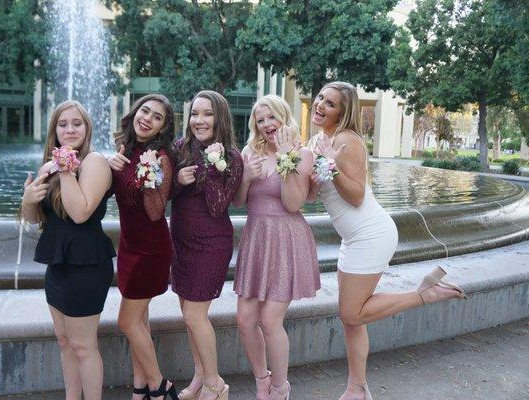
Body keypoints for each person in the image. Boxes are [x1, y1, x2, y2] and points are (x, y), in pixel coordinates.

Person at [307, 81, 467, 400]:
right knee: (354, 318)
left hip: (370, 234)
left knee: (352, 313)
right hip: (354, 238)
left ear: (343, 112)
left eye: (331, 103)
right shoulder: (317, 141)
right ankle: (357, 389)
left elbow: (356, 196)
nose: (320, 105)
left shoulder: (346, 141)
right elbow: (314, 194)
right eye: (320, 98)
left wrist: (330, 166)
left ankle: (424, 294)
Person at [21, 100, 116, 400]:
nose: (70, 129)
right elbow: (37, 218)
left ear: (87, 128)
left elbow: (80, 213)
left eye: (77, 123)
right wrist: (27, 199)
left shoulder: (94, 162)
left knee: (83, 345)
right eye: (63, 124)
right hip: (58, 264)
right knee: (64, 341)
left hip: (86, 265)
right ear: (55, 129)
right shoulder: (48, 166)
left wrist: (65, 170)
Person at [233, 94, 320, 400]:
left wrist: (286, 158)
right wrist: (246, 176)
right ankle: (262, 381)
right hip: (257, 237)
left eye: (272, 117)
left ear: (285, 117)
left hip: (286, 240)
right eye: (260, 119)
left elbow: (294, 203)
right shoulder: (250, 151)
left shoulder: (303, 154)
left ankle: (281, 388)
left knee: (270, 320)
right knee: (245, 319)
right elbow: (240, 202)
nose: (267, 124)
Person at [171, 90, 244, 400]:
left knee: (194, 316)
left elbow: (218, 206)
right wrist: (178, 181)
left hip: (211, 243)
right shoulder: (179, 148)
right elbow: (163, 195)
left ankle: (216, 385)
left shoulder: (232, 157)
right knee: (189, 316)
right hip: (181, 241)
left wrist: (213, 166)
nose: (198, 120)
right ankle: (199, 379)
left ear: (219, 118)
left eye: (207, 114)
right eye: (195, 114)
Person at [107, 94, 179, 400]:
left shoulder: (161, 157)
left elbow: (154, 212)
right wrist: (108, 165)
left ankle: (160, 385)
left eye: (157, 117)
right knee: (140, 321)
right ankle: (140, 389)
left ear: (162, 127)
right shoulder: (124, 150)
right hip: (128, 245)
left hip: (151, 249)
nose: (147, 118)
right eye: (145, 111)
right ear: (135, 112)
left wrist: (148, 177)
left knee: (126, 321)